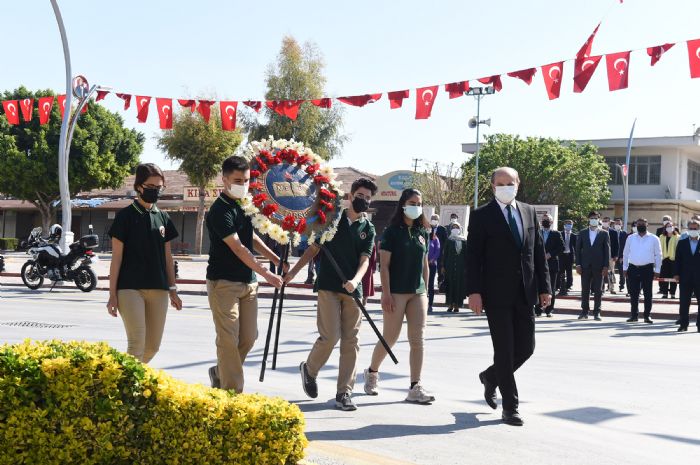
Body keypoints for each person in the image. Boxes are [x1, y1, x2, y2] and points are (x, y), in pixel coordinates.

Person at [466, 167, 551, 426]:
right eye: (500, 183)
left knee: (526, 348)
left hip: (525, 292)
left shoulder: (528, 211)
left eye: (510, 183)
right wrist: (474, 292)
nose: (506, 187)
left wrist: (544, 287)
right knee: (504, 350)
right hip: (495, 294)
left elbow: (537, 252)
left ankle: (491, 377)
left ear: (518, 183)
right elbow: (473, 258)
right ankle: (510, 407)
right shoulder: (482, 216)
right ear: (493, 187)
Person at [287, 178, 377, 411]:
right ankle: (310, 369)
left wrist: (356, 281)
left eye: (368, 198)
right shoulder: (331, 218)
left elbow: (365, 260)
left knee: (351, 341)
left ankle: (344, 392)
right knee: (330, 336)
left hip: (352, 290)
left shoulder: (368, 228)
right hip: (328, 285)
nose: (364, 201)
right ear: (350, 195)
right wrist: (291, 274)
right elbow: (313, 249)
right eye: (361, 196)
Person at [205, 156, 284, 393]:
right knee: (228, 340)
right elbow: (238, 247)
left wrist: (274, 258)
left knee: (249, 338)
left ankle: (220, 371)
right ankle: (233, 393)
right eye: (238, 180)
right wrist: (267, 274)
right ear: (225, 179)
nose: (243, 184)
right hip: (224, 283)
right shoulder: (220, 210)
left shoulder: (244, 205)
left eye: (247, 180)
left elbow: (251, 238)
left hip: (248, 284)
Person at [364, 188, 435, 405]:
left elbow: (425, 265)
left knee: (418, 339)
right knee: (390, 338)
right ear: (403, 204)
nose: (416, 206)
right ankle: (372, 373)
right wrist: (385, 293)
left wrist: (426, 292)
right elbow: (383, 266)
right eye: (412, 202)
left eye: (419, 203)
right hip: (395, 292)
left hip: (418, 292)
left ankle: (415, 386)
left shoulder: (423, 231)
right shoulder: (392, 232)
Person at [107, 163, 183, 362]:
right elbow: (116, 259)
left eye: (159, 188)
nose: (155, 191)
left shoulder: (164, 217)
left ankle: (125, 378)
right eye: (151, 187)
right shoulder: (124, 217)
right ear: (139, 186)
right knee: (136, 344)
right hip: (129, 288)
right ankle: (128, 390)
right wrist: (112, 295)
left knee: (152, 347)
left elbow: (168, 258)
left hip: (159, 288)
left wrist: (173, 289)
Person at [623, 218, 662, 324]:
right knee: (634, 293)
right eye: (638, 224)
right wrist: (625, 268)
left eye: (643, 224)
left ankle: (647, 316)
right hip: (633, 268)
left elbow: (658, 255)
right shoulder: (630, 238)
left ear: (647, 225)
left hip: (647, 269)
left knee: (648, 294)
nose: (640, 226)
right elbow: (626, 253)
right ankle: (634, 315)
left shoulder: (654, 238)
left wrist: (657, 269)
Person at [575, 211, 610, 321]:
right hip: (585, 266)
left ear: (599, 219)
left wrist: (606, 266)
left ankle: (597, 312)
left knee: (598, 290)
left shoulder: (604, 233)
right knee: (585, 290)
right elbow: (577, 249)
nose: (593, 219)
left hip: (599, 266)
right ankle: (584, 311)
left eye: (595, 218)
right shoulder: (582, 232)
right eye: (592, 218)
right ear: (589, 219)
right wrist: (578, 264)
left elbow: (607, 251)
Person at [673, 218, 700, 332]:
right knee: (684, 302)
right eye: (691, 228)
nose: (693, 230)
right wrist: (676, 274)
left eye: (695, 228)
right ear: (688, 229)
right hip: (685, 277)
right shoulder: (682, 242)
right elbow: (677, 259)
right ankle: (683, 324)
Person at [536, 214, 563, 317]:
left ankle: (549, 310)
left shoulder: (556, 234)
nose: (545, 221)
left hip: (552, 265)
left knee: (550, 288)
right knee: (538, 287)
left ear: (551, 222)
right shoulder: (537, 233)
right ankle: (538, 309)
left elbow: (561, 247)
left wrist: (550, 254)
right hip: (538, 265)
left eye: (547, 220)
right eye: (543, 220)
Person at [442, 222, 467, 312]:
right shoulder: (449, 240)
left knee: (459, 286)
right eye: (453, 227)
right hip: (450, 266)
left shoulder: (464, 241)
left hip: (461, 267)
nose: (455, 229)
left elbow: (466, 255)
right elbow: (445, 254)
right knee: (450, 285)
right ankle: (450, 305)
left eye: (457, 227)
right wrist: (443, 266)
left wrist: (466, 267)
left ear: (460, 229)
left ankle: (457, 305)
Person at [659, 221, 679, 299]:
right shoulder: (661, 236)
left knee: (673, 277)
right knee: (664, 276)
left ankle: (673, 293)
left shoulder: (677, 237)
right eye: (668, 226)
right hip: (664, 259)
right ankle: (664, 293)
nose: (669, 227)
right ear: (665, 228)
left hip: (674, 260)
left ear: (673, 227)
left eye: (671, 226)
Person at [558, 219, 577, 296]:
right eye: (566, 224)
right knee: (561, 271)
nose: (568, 225)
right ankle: (559, 285)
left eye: (570, 224)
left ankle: (569, 285)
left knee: (569, 271)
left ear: (572, 225)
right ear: (564, 225)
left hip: (570, 255)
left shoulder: (574, 235)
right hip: (561, 255)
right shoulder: (560, 234)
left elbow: (576, 247)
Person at [601, 216, 619, 295]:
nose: (605, 222)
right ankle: (601, 288)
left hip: (611, 256)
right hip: (600, 255)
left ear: (609, 222)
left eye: (606, 221)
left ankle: (611, 288)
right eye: (604, 221)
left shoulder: (613, 232)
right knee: (600, 272)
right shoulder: (599, 230)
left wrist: (616, 255)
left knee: (611, 272)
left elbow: (617, 245)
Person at [427, 227, 441, 313]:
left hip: (432, 264)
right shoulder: (422, 237)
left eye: (429, 229)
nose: (428, 230)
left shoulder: (435, 238)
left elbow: (438, 250)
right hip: (423, 265)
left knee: (430, 285)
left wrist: (431, 260)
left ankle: (430, 305)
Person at [361, 239, 377, 307]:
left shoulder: (371, 242)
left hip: (367, 267)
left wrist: (373, 267)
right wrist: (373, 268)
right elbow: (374, 256)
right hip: (367, 267)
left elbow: (373, 256)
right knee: (365, 288)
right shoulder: (370, 241)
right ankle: (363, 305)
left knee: (365, 288)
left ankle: (363, 306)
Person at [614, 217, 628, 293]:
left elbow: (625, 246)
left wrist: (622, 256)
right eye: (616, 224)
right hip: (612, 255)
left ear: (621, 225)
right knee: (610, 272)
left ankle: (621, 286)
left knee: (622, 272)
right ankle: (610, 286)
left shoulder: (624, 234)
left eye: (619, 224)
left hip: (621, 256)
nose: (617, 225)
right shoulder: (611, 233)